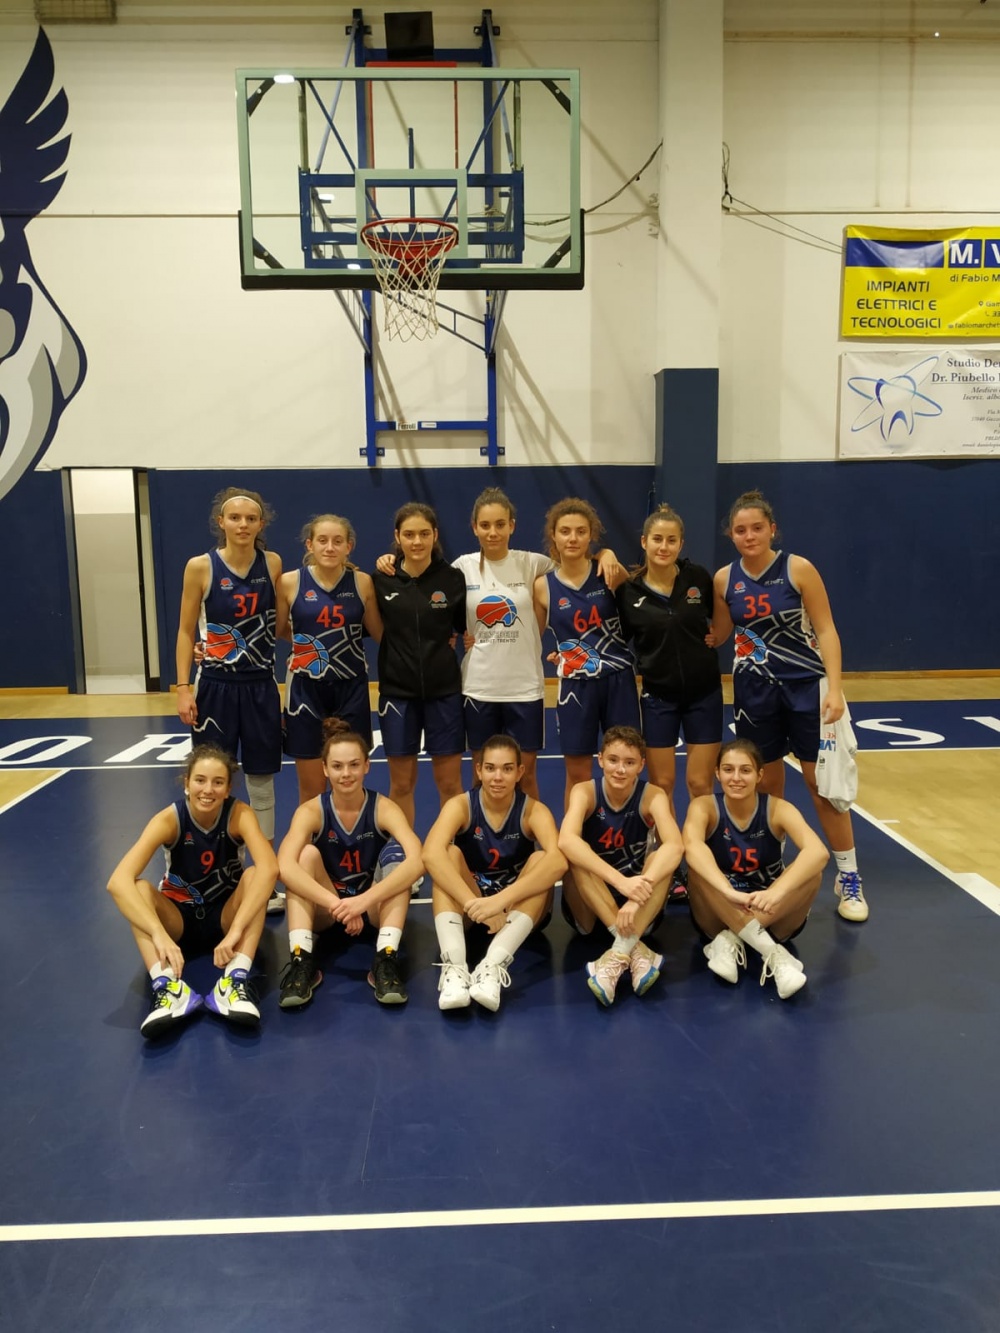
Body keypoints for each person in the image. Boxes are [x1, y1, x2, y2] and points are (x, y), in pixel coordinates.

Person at [712, 489, 868, 922]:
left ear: (772, 529)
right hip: (754, 691)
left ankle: (849, 876)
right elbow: (718, 634)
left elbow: (827, 630)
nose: (749, 536)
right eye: (740, 530)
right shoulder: (724, 579)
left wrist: (835, 688)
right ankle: (770, 867)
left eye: (757, 528)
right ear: (731, 535)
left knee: (822, 786)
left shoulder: (797, 568)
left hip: (806, 688)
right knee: (765, 785)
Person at [106, 744, 277, 1038]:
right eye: (200, 780)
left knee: (254, 876)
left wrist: (236, 930)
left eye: (218, 782)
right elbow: (117, 882)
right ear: (186, 782)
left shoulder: (239, 814)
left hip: (225, 918)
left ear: (228, 789)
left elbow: (270, 869)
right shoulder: (169, 819)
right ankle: (168, 988)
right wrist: (158, 933)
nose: (208, 790)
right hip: (179, 920)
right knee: (139, 889)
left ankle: (234, 981)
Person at [175, 486, 285, 912]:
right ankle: (212, 873)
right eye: (234, 517)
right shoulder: (200, 566)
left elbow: (281, 622)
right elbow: (186, 630)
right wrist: (183, 687)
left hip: (260, 686)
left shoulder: (272, 563)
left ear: (261, 524)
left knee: (261, 782)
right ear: (220, 522)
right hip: (215, 688)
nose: (242, 524)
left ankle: (264, 877)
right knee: (210, 781)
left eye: (250, 518)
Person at [276, 718, 424, 1007]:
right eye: (337, 766)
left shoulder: (383, 808)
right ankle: (301, 960)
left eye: (354, 765)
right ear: (325, 769)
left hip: (373, 909)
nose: (346, 774)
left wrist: (363, 901)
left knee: (398, 854)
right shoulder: (311, 811)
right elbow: (285, 866)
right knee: (304, 856)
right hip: (328, 911)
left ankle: (386, 958)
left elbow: (419, 860)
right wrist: (337, 905)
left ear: (367, 766)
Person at [422, 734, 566, 1012]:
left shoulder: (533, 810)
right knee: (447, 854)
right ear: (478, 770)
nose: (497, 777)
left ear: (520, 772)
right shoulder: (461, 805)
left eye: (507, 769)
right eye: (490, 768)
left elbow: (559, 862)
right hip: (474, 908)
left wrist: (500, 902)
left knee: (542, 859)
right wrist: (477, 905)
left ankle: (492, 967)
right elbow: (430, 854)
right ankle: (455, 968)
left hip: (515, 910)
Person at [683, 738, 829, 999]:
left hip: (771, 911)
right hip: (719, 911)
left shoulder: (778, 809)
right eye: (728, 769)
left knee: (812, 873)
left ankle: (731, 939)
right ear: (717, 773)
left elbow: (818, 852)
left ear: (759, 775)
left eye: (746, 770)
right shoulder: (704, 806)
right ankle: (772, 953)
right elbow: (692, 847)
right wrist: (727, 891)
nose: (736, 778)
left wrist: (775, 892)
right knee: (698, 870)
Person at [558, 726, 683, 1007]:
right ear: (600, 759)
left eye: (629, 762)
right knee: (576, 855)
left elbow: (676, 846)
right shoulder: (584, 792)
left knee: (661, 860)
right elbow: (566, 840)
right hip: (591, 906)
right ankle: (634, 949)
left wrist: (635, 896)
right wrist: (620, 881)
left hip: (638, 907)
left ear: (641, 765)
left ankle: (618, 954)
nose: (620, 769)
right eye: (613, 760)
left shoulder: (653, 795)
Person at [533, 497, 639, 809]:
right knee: (578, 773)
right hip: (575, 686)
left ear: (591, 535)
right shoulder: (542, 586)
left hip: (618, 680)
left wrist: (608, 554)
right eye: (565, 531)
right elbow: (531, 638)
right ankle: (574, 834)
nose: (573, 538)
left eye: (581, 531)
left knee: (625, 765)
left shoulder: (610, 572)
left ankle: (627, 831)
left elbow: (640, 616)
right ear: (553, 535)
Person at [616, 504, 723, 813]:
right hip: (658, 698)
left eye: (671, 540)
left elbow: (723, 613)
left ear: (681, 544)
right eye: (657, 539)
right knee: (662, 784)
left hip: (704, 695)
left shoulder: (698, 577)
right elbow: (616, 638)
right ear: (644, 541)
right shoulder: (628, 592)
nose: (664, 547)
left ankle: (699, 841)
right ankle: (668, 841)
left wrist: (720, 635)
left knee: (700, 783)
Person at [370, 502, 467, 828]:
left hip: (445, 693)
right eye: (409, 534)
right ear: (397, 537)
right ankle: (403, 853)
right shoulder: (381, 580)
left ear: (435, 535)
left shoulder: (453, 579)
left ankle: (449, 850)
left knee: (450, 784)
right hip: (397, 695)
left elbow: (463, 627)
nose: (417, 541)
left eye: (424, 534)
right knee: (401, 784)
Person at [279, 513, 382, 805]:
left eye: (338, 541)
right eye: (322, 540)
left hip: (351, 687)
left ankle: (350, 832)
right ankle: (313, 835)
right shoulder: (290, 582)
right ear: (309, 544)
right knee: (311, 787)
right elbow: (277, 629)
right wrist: (309, 648)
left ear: (349, 546)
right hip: (305, 689)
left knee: (349, 782)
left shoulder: (362, 583)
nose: (329, 547)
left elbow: (380, 633)